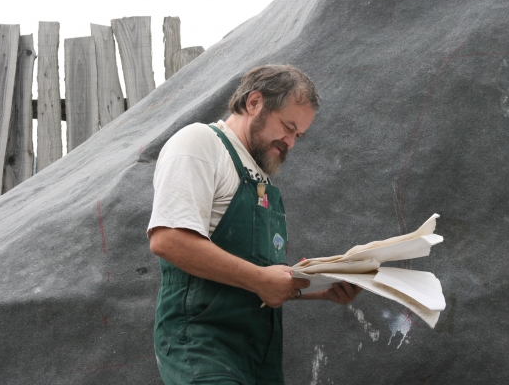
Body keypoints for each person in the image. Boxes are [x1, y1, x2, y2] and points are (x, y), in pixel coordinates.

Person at [148, 65, 361, 385]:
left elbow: (258, 284)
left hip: (260, 359)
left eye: (298, 135)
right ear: (254, 102)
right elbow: (168, 239)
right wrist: (261, 278)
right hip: (204, 349)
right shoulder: (200, 142)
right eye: (288, 127)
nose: (290, 142)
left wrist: (320, 289)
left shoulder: (261, 180)